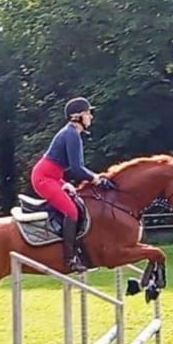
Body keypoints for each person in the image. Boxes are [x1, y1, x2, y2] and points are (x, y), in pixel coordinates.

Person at [30, 96, 116, 273]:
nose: (91, 117)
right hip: (44, 178)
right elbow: (77, 169)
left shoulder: (72, 133)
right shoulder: (71, 134)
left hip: (53, 176)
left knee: (77, 203)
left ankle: (78, 252)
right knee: (71, 211)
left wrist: (67, 182)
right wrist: (97, 179)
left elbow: (72, 169)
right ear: (78, 116)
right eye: (88, 113)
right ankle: (70, 260)